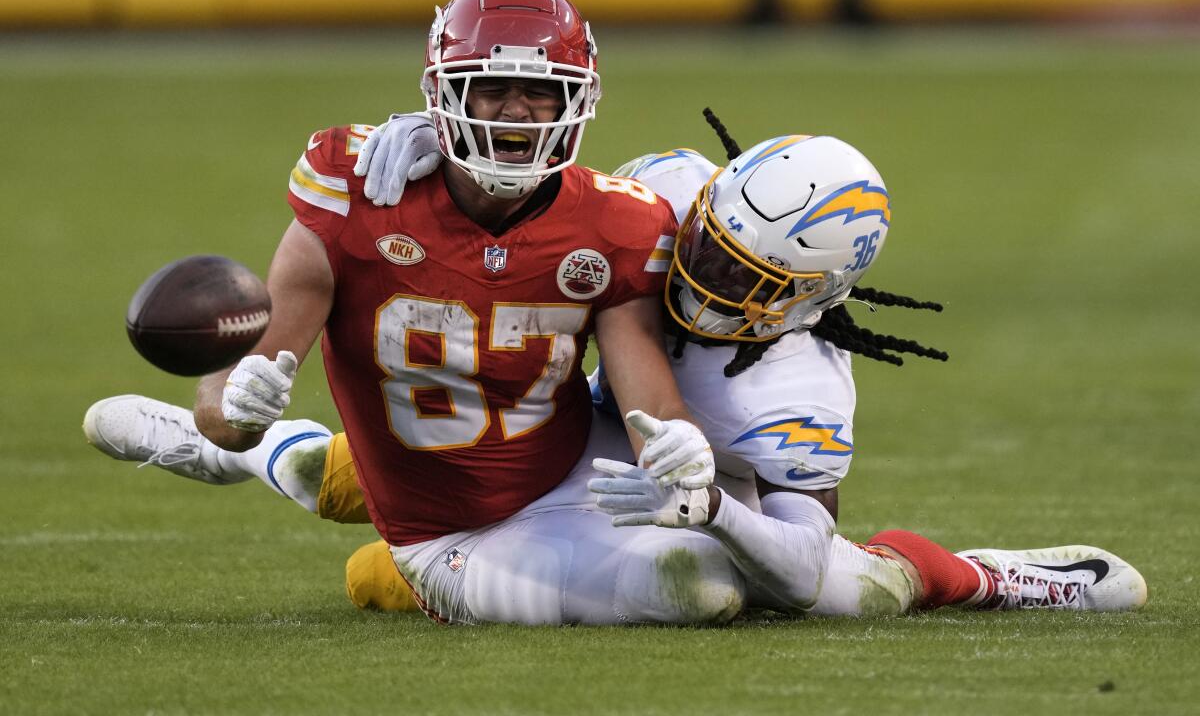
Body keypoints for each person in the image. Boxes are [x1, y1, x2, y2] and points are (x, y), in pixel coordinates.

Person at [85, 113, 1147, 619]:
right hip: (563, 418)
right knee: (419, 443)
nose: (699, 275)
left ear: (810, 297)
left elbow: (788, 556)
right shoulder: (667, 194)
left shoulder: (798, 391)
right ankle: (238, 445)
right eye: (708, 242)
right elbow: (551, 194)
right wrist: (436, 152)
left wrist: (716, 508)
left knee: (838, 593)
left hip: (689, 484)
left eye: (744, 276)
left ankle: (983, 575)